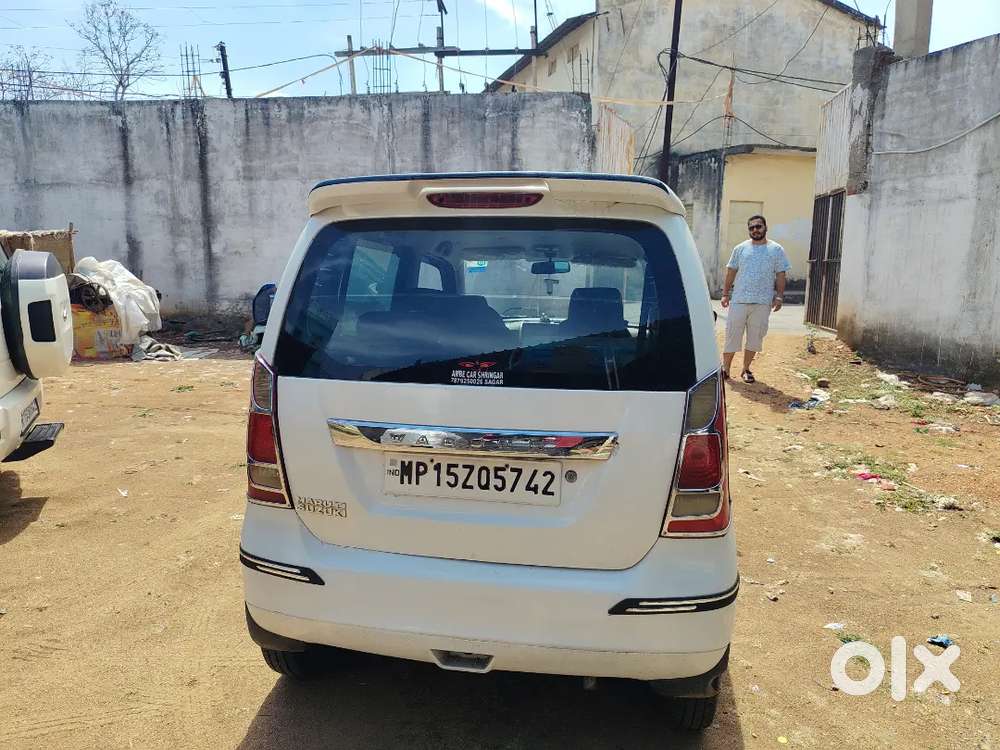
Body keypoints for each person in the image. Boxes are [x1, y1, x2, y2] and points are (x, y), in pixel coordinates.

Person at [720, 215, 790, 383]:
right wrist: (725, 294)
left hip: (762, 302)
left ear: (765, 227)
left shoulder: (776, 250)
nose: (755, 230)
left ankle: (745, 369)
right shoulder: (740, 249)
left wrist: (779, 297)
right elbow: (731, 272)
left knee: (755, 338)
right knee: (732, 335)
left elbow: (781, 274)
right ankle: (726, 369)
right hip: (739, 300)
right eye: (751, 228)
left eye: (758, 226)